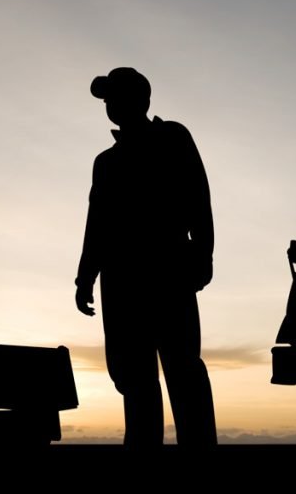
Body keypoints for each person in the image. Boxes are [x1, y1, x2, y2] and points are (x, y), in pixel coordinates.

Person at [75, 67, 218, 447]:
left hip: (169, 269)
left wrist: (203, 254)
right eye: (106, 99)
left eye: (114, 96)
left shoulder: (172, 137)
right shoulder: (106, 162)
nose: (109, 104)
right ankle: (142, 449)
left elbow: (198, 198)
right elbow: (98, 223)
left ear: (140, 99)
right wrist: (85, 277)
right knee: (133, 375)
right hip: (121, 280)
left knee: (183, 366)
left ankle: (200, 448)